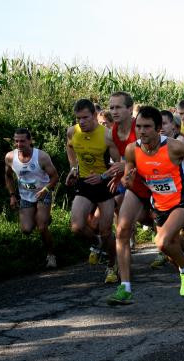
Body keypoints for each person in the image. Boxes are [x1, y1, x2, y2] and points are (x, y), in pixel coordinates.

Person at [122, 106, 184, 308]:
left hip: (182, 201)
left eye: (147, 127)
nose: (142, 131)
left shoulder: (173, 146)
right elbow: (127, 178)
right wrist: (128, 180)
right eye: (139, 127)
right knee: (171, 251)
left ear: (158, 128)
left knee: (161, 242)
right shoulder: (132, 150)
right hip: (159, 204)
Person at [105, 92, 155, 304]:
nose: (114, 111)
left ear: (129, 109)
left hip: (155, 185)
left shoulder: (141, 127)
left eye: (118, 107)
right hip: (134, 187)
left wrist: (125, 166)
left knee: (164, 236)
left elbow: (151, 157)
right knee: (122, 230)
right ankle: (125, 287)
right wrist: (120, 175)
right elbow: (123, 160)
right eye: (111, 107)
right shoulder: (113, 132)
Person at [66, 98, 121, 283]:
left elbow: (119, 164)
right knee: (77, 227)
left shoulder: (107, 135)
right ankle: (96, 244)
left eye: (85, 118)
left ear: (95, 116)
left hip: (104, 185)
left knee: (106, 231)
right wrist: (73, 168)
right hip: (84, 183)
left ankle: (112, 265)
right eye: (78, 118)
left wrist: (103, 176)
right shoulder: (73, 131)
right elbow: (70, 147)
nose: (81, 122)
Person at [5, 128, 59, 268]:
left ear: (30, 141)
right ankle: (44, 217)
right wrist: (12, 195)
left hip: (43, 192)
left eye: (22, 141)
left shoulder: (41, 156)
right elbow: (8, 176)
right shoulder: (10, 157)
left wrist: (45, 189)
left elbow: (55, 177)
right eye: (16, 141)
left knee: (41, 227)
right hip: (26, 196)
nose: (19, 144)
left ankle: (51, 256)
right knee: (26, 229)